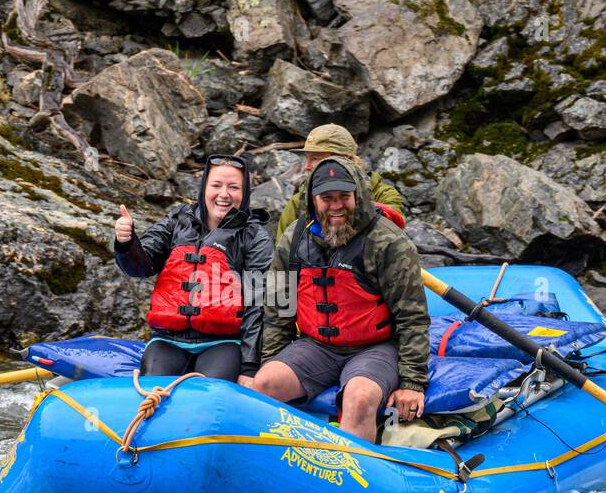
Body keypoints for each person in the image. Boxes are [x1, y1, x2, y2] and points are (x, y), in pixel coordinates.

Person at [252, 155, 430, 442]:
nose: (336, 206)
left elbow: (413, 318)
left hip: (376, 348)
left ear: (357, 196)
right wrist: (273, 359)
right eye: (327, 197)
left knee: (359, 399)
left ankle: (351, 479)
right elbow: (277, 310)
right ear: (313, 200)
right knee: (265, 384)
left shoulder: (388, 241)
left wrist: (412, 381)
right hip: (316, 346)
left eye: (344, 196)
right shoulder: (293, 239)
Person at [114, 154, 272, 382]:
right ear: (204, 188)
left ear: (245, 193)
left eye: (234, 187)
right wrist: (127, 243)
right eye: (216, 185)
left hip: (224, 343)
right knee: (153, 384)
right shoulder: (177, 221)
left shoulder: (255, 238)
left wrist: (249, 367)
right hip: (168, 340)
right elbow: (141, 266)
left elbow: (259, 305)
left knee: (211, 391)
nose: (224, 194)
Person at [274, 124, 406, 239]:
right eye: (307, 158)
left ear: (346, 160)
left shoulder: (383, 194)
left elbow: (391, 236)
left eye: (315, 158)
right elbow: (283, 257)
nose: (306, 167)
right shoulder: (298, 202)